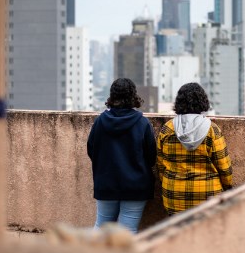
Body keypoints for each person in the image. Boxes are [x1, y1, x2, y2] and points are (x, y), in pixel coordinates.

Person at [86, 77, 156, 233]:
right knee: (127, 232)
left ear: (112, 96)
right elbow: (152, 156)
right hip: (136, 186)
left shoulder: (99, 122)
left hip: (106, 183)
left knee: (101, 227)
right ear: (133, 96)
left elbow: (91, 150)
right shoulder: (142, 123)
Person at [156, 82, 233, 216]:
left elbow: (160, 164)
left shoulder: (167, 129)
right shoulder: (212, 130)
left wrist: (169, 181)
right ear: (202, 101)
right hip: (207, 197)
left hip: (174, 195)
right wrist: (227, 187)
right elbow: (224, 167)